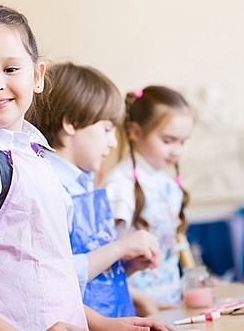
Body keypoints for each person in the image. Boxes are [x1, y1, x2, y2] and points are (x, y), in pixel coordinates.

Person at [0, 4, 174, 331]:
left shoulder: (33, 156)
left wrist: (103, 324)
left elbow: (48, 277)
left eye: (11, 69)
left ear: (37, 76)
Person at [27, 62, 162, 318]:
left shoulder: (83, 182)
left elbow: (88, 270)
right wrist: (119, 249)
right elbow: (54, 279)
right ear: (72, 123)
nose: (113, 142)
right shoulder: (50, 188)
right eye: (107, 130)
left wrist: (125, 266)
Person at [104, 86, 195, 316]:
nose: (177, 151)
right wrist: (139, 300)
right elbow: (104, 256)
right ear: (135, 132)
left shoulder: (168, 186)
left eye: (182, 142)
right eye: (168, 140)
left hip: (170, 304)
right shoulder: (119, 186)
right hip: (134, 308)